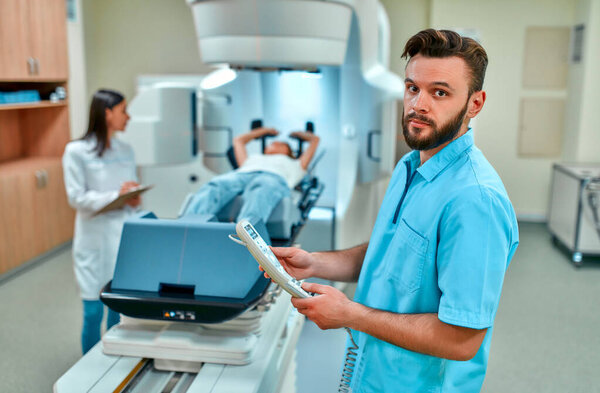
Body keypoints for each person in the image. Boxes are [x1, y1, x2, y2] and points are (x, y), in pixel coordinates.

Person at [269, 29, 519, 392]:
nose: (419, 104)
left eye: (440, 92)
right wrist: (315, 262)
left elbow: (461, 341)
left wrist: (349, 314)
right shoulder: (409, 167)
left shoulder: (474, 201)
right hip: (370, 374)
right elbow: (392, 256)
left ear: (475, 104)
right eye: (412, 88)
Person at [62, 89, 141, 354]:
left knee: (117, 312)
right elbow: (76, 197)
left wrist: (133, 197)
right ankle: (89, 371)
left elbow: (128, 190)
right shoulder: (76, 152)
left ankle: (112, 366)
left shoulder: (126, 150)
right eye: (123, 110)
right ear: (107, 113)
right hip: (93, 240)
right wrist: (115, 195)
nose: (128, 117)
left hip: (123, 237)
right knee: (93, 312)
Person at [183, 127, 319, 224]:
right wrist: (263, 131)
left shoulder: (295, 163)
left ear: (289, 152)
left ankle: (246, 235)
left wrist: (301, 134)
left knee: (260, 191)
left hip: (273, 178)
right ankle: (189, 225)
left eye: (280, 144)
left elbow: (315, 140)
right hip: (243, 174)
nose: (274, 144)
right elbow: (239, 140)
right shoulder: (252, 159)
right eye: (272, 143)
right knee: (215, 185)